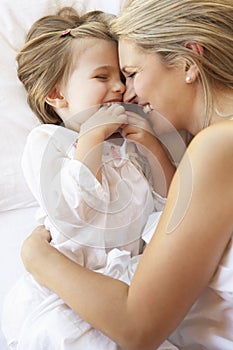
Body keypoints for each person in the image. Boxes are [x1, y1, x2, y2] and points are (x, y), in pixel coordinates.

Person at [16, 0, 233, 349]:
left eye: (130, 73)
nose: (125, 92)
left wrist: (36, 258)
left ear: (189, 61)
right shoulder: (53, 142)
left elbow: (137, 328)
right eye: (109, 77)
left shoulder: (216, 147)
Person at [2, 6, 177, 350]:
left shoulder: (129, 149)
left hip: (127, 288)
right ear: (57, 95)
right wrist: (93, 137)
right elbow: (73, 210)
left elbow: (169, 207)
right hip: (67, 293)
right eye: (102, 77)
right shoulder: (48, 143)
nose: (119, 89)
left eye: (123, 78)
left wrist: (153, 147)